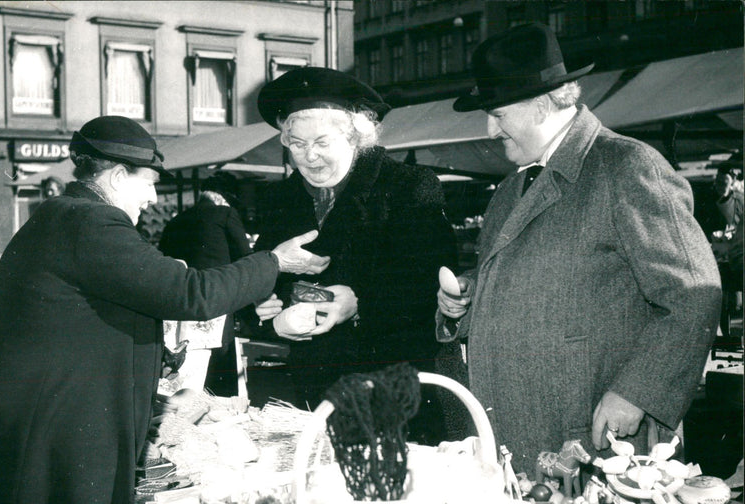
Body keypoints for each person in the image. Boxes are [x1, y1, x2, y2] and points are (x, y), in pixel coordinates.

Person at [0, 115, 329, 504]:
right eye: (147, 183)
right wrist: (275, 261)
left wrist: (160, 362)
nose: (152, 198)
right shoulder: (90, 221)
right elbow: (191, 293)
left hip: (34, 424)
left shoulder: (61, 216)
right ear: (114, 177)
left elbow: (98, 312)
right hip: (43, 432)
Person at [437, 23, 721, 478]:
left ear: (544, 104)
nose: (490, 129)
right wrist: (466, 300)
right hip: (520, 432)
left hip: (595, 438)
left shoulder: (626, 165)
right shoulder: (510, 188)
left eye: (498, 113)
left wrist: (639, 391)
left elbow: (694, 293)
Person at [253, 67, 457, 443]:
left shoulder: (409, 186)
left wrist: (361, 303)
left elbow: (434, 282)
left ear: (356, 137)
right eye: (296, 144)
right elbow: (263, 281)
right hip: (314, 391)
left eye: (322, 142)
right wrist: (265, 311)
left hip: (394, 392)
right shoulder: (279, 199)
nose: (309, 156)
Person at [159, 175, 253, 394]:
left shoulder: (175, 221)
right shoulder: (226, 214)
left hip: (180, 306)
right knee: (220, 369)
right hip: (216, 301)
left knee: (186, 365)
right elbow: (247, 258)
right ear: (224, 199)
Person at [711, 151, 743, 337]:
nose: (720, 186)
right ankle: (725, 335)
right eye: (718, 182)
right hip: (719, 256)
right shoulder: (708, 200)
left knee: (735, 302)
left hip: (733, 255)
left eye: (724, 183)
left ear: (731, 185)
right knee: (722, 299)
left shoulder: (737, 201)